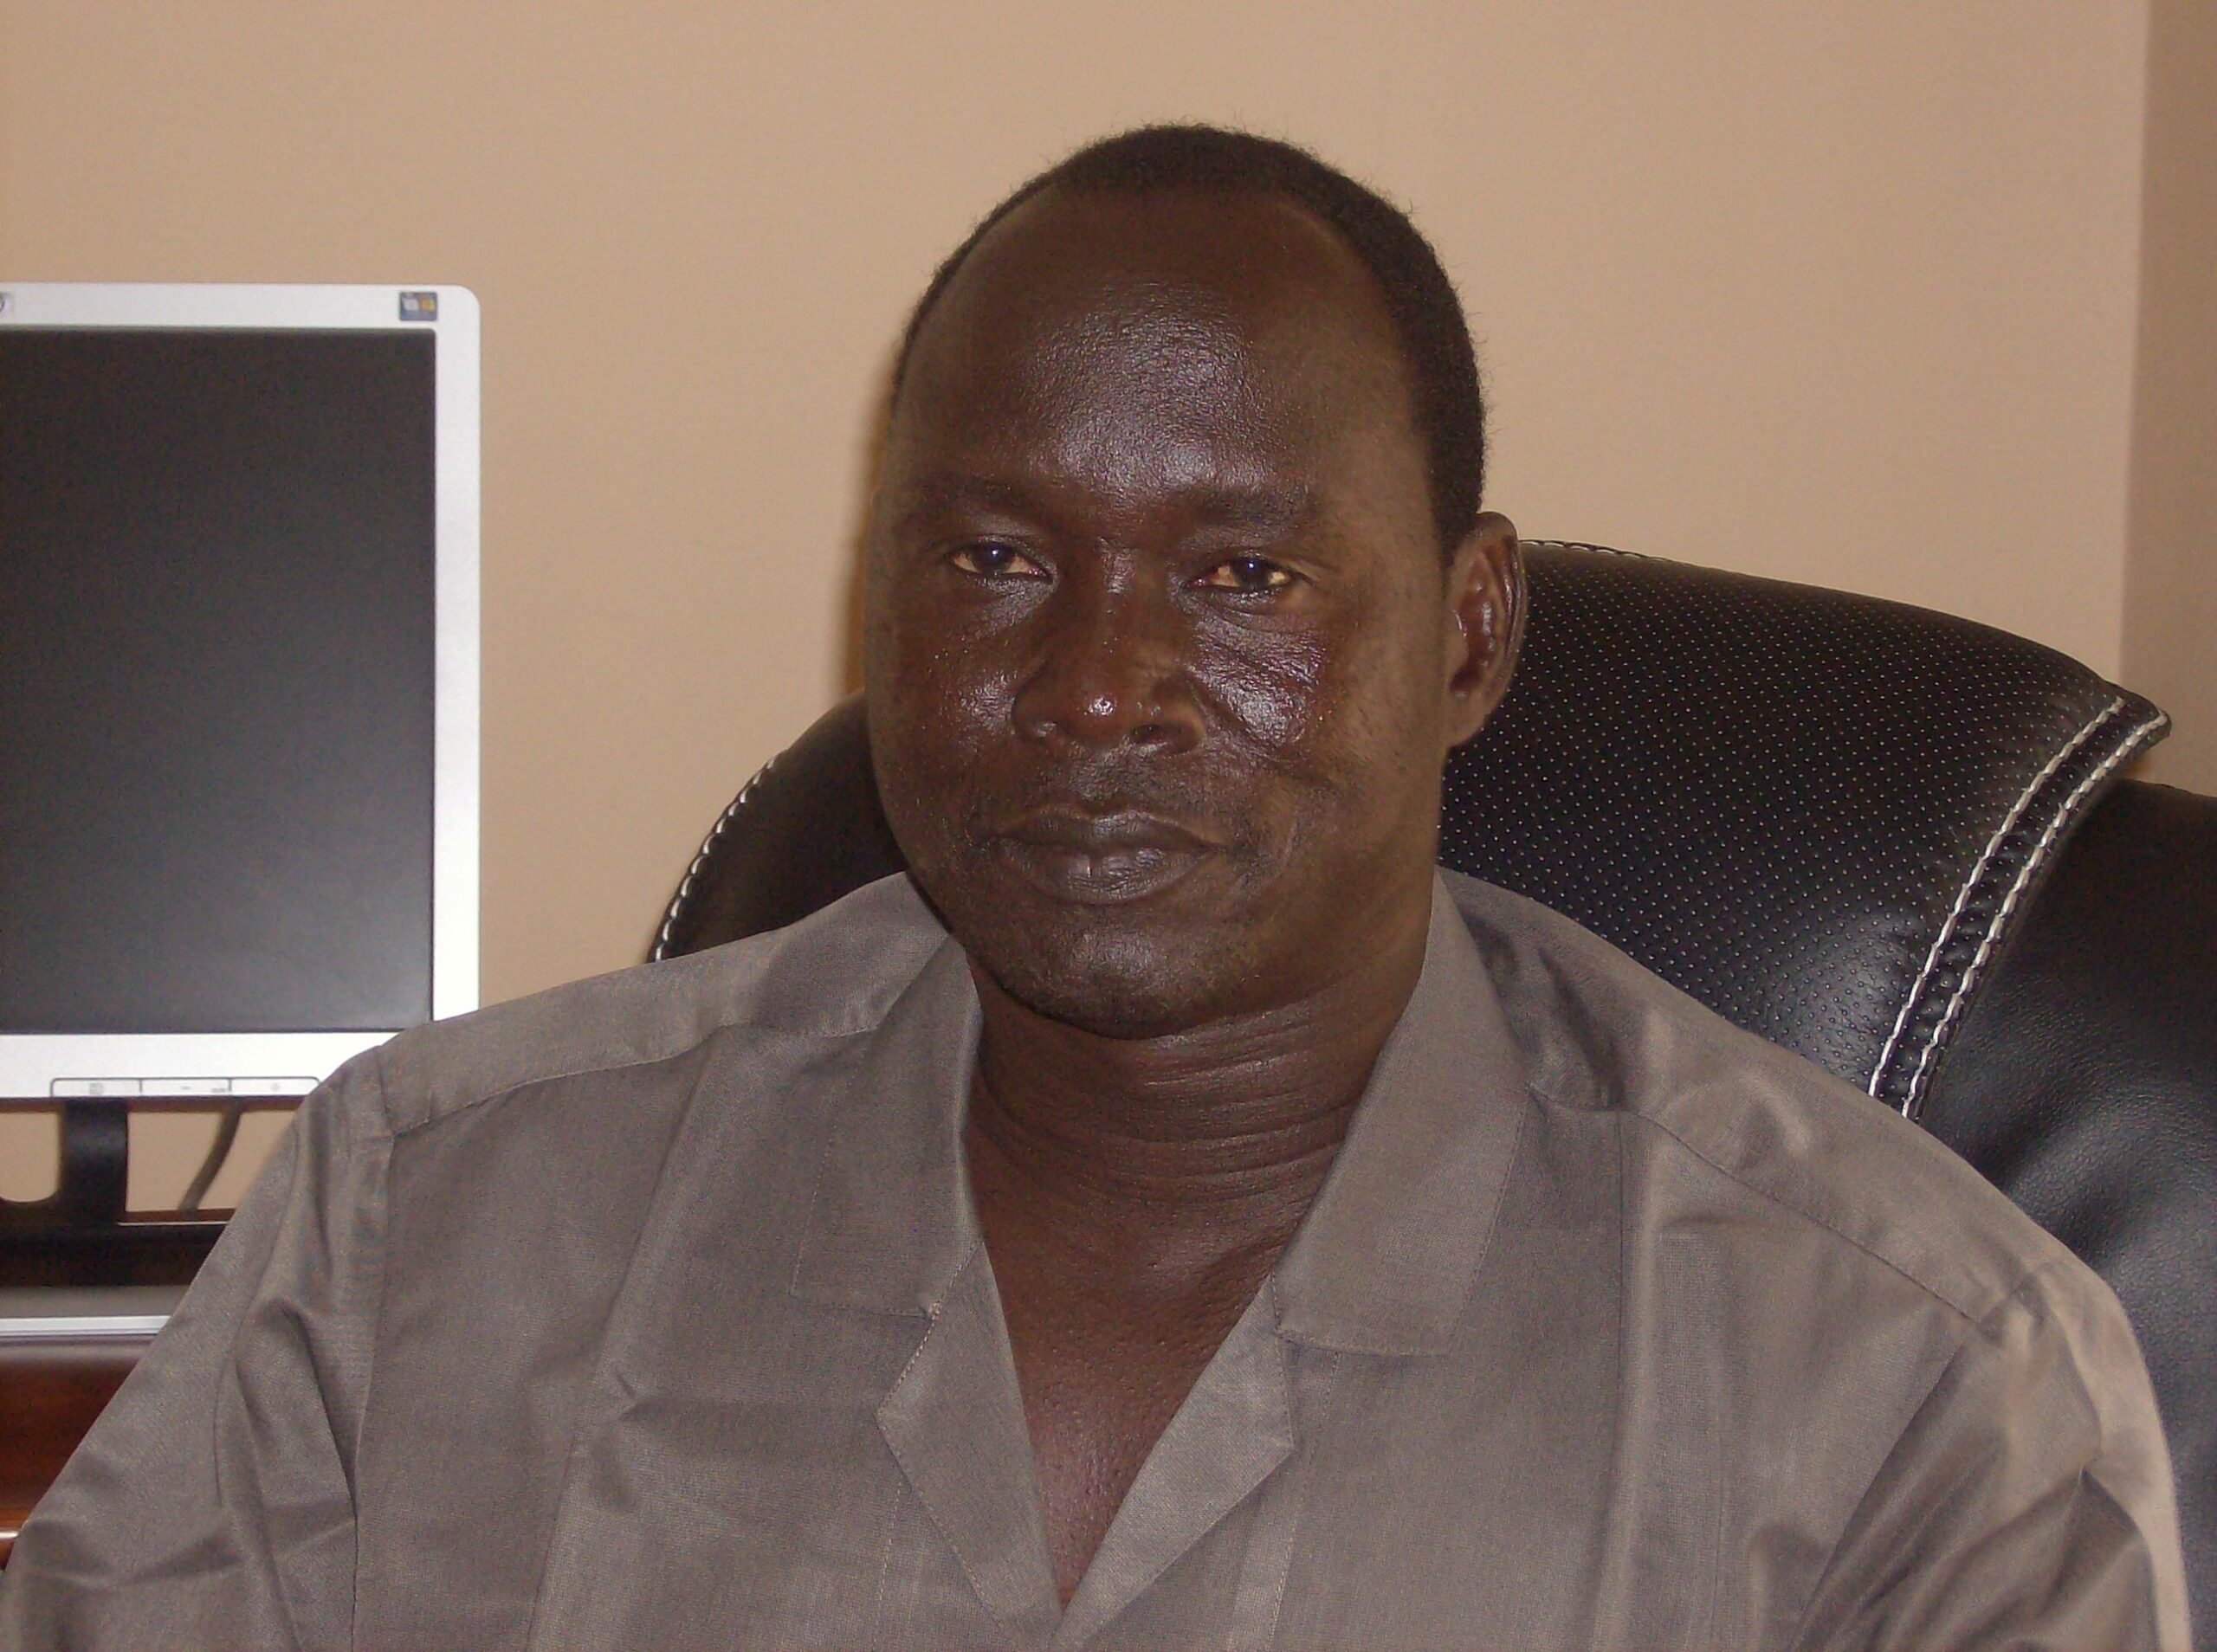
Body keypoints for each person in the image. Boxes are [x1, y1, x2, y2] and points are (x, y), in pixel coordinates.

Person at [0, 126, 2189, 1651]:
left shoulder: (1908, 1375)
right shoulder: (434, 1223)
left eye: (1239, 571)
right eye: (994, 562)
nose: (1096, 685)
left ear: (1464, 634)